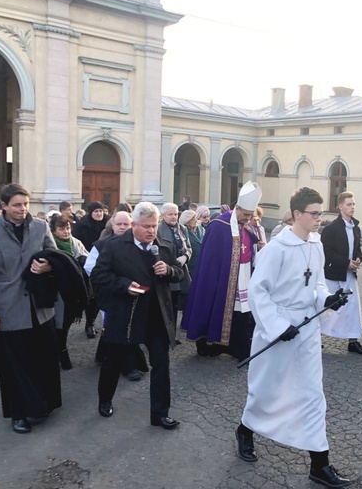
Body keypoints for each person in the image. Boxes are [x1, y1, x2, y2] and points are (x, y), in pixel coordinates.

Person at [236, 187, 351, 488]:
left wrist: (328, 300)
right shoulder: (277, 248)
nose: (319, 219)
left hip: (306, 331)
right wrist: (275, 326)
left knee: (313, 395)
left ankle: (319, 465)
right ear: (297, 214)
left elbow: (318, 285)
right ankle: (246, 429)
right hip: (278, 331)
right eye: (314, 214)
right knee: (267, 388)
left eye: (320, 213)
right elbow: (258, 291)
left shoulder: (316, 243)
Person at [0, 183, 60, 434]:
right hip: (7, 308)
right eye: (17, 205)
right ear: (4, 206)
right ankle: (19, 413)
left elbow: (55, 257)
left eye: (25, 204)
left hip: (39, 305)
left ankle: (44, 404)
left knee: (43, 358)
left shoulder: (41, 226)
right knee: (15, 365)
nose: (23, 209)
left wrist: (47, 267)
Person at [91, 202, 184, 429]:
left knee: (161, 365)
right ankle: (105, 400)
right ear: (133, 225)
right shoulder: (114, 246)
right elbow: (98, 275)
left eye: (154, 226)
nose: (151, 231)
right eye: (146, 226)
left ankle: (160, 414)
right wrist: (124, 285)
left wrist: (169, 270)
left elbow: (179, 273)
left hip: (157, 316)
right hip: (127, 315)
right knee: (113, 362)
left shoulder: (164, 246)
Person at [181, 181, 262, 361]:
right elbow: (211, 259)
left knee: (241, 313)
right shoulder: (219, 226)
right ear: (238, 209)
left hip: (244, 275)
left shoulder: (247, 225)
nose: (248, 219)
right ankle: (212, 343)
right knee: (217, 307)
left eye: (251, 215)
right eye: (246, 215)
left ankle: (237, 347)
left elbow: (251, 245)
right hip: (221, 278)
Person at [86, 211, 147, 382]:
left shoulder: (139, 243)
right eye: (118, 224)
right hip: (111, 293)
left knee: (125, 328)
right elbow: (91, 267)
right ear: (112, 225)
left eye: (125, 224)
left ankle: (107, 357)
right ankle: (129, 367)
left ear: (132, 225)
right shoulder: (101, 245)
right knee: (117, 328)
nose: (122, 227)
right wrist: (114, 279)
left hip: (136, 294)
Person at [320, 191, 362, 355]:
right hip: (333, 274)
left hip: (350, 274)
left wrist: (358, 259)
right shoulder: (331, 229)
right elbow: (327, 252)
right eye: (349, 204)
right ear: (340, 206)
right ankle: (316, 339)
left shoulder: (356, 227)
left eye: (353, 204)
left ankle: (353, 341)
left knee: (353, 308)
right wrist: (346, 263)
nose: (352, 207)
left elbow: (358, 249)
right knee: (327, 308)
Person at [49, 214, 89, 370]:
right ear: (54, 230)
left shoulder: (75, 243)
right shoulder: (50, 244)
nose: (66, 232)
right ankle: (60, 352)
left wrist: (80, 263)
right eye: (61, 228)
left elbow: (85, 256)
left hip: (72, 290)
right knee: (57, 324)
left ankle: (61, 349)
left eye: (68, 228)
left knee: (65, 323)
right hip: (55, 291)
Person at [73, 201, 110, 338]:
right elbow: (77, 244)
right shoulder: (82, 226)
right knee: (91, 296)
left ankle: (103, 323)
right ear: (90, 212)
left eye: (101, 211)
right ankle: (90, 323)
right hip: (86, 265)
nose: (99, 214)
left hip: (105, 264)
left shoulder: (109, 225)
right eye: (96, 211)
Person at [157, 202, 192, 316]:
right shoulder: (158, 229)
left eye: (176, 214)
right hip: (166, 272)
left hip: (181, 270)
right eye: (170, 214)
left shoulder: (183, 229)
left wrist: (185, 257)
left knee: (177, 306)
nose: (173, 217)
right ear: (162, 215)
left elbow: (189, 248)